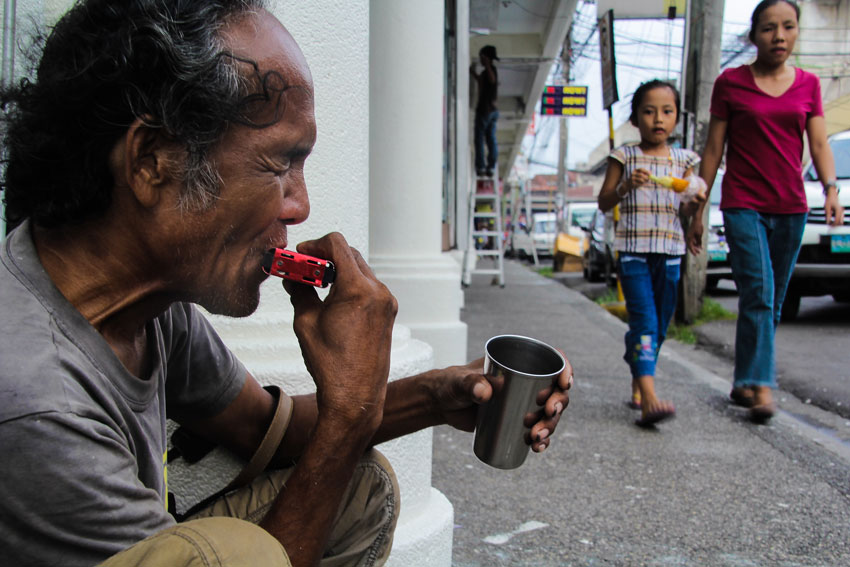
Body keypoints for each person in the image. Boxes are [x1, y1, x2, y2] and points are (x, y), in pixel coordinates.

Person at [0, 2, 574, 566]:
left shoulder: (147, 306)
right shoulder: (37, 403)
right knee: (244, 553)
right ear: (153, 160)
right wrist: (348, 418)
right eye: (279, 166)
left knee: (360, 486)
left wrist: (438, 395)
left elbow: (258, 427)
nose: (300, 207)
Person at [687, 0, 843, 423]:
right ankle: (763, 387)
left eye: (788, 27)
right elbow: (714, 151)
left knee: (770, 301)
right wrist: (699, 209)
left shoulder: (809, 84)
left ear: (796, 32)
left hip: (791, 205)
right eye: (769, 28)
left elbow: (820, 144)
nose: (779, 36)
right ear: (753, 36)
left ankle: (744, 379)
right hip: (743, 203)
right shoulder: (731, 83)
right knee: (757, 292)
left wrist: (830, 189)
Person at [598, 80, 704, 428]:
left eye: (667, 111)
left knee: (658, 328)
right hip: (633, 254)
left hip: (670, 253)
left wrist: (695, 206)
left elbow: (686, 208)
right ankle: (650, 399)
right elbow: (604, 201)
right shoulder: (624, 156)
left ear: (676, 118)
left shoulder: (685, 160)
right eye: (648, 111)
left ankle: (638, 374)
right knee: (644, 321)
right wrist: (627, 186)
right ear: (635, 117)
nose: (658, 119)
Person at [470, 45, 499, 178]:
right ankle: (490, 166)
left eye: (482, 57)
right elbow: (482, 82)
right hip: (493, 110)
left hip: (484, 109)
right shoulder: (485, 73)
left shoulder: (491, 70)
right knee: (490, 138)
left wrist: (487, 66)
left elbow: (492, 80)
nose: (481, 60)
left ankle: (482, 166)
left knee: (480, 139)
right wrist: (473, 73)